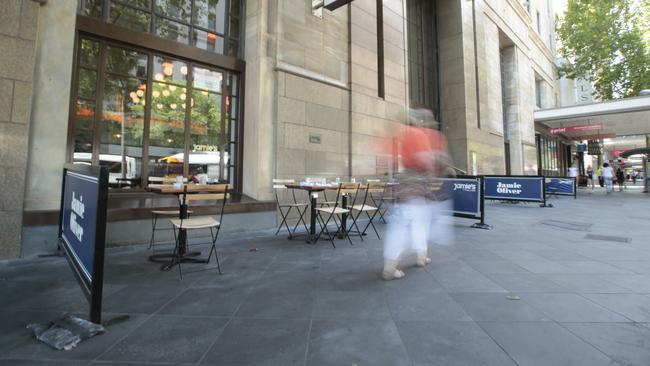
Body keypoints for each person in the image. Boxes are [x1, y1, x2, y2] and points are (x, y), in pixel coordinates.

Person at [382, 120, 452, 280]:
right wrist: (435, 168)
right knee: (415, 225)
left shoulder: (404, 136)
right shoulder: (421, 135)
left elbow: (394, 158)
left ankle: (418, 257)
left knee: (407, 225)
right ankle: (392, 267)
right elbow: (425, 158)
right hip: (417, 187)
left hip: (405, 186)